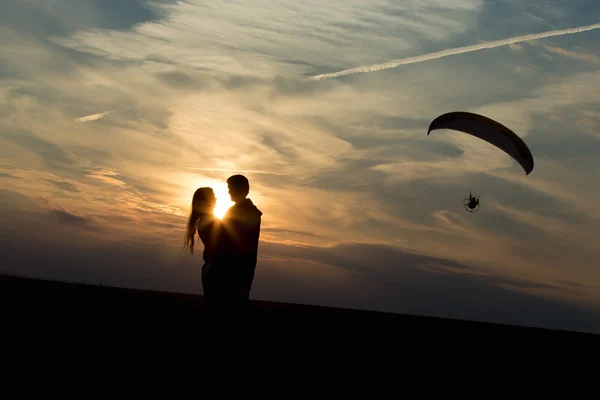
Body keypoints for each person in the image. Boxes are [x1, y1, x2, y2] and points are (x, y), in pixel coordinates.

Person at [218, 174, 263, 317]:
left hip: (237, 268)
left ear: (241, 189)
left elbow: (232, 238)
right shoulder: (235, 210)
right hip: (233, 266)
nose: (229, 192)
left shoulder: (250, 213)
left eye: (231, 188)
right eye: (228, 188)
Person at [183, 187, 220, 314]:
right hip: (216, 271)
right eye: (213, 195)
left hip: (212, 269)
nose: (216, 198)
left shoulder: (206, 221)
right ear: (206, 201)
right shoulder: (209, 222)